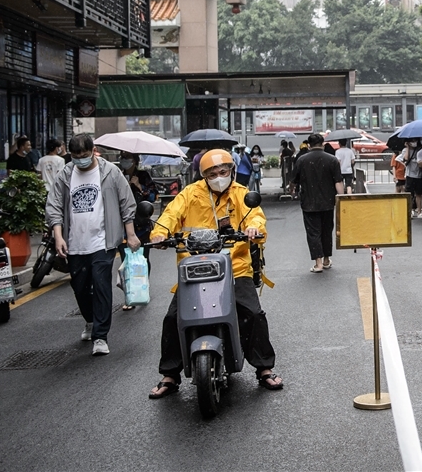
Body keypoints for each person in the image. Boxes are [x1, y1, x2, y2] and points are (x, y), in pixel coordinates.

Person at [147, 149, 282, 397]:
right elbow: (171, 214)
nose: (218, 176)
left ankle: (264, 369)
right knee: (172, 318)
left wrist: (253, 229)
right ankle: (169, 375)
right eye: (212, 173)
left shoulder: (241, 194)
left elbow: (256, 217)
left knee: (252, 313)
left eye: (223, 172)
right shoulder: (190, 193)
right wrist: (160, 233)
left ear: (231, 171)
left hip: (235, 266)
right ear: (204, 175)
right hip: (194, 267)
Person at [45, 133, 140, 357]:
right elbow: (54, 206)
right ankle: (90, 320)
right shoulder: (65, 174)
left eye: (85, 155)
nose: (81, 160)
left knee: (101, 286)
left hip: (103, 242)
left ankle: (100, 336)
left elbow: (127, 203)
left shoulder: (110, 172)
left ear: (93, 150)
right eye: (76, 156)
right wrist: (58, 236)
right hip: (75, 242)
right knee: (79, 288)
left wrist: (131, 235)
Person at [288, 133, 345, 273]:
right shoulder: (332, 160)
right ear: (323, 143)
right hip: (328, 202)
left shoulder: (302, 160)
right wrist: (342, 199)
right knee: (326, 231)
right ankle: (326, 260)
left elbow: (293, 181)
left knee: (313, 232)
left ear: (309, 145)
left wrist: (292, 191)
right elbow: (338, 181)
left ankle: (318, 263)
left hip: (309, 203)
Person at [117, 152, 158, 311]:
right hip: (122, 227)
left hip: (141, 226)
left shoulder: (143, 176)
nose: (124, 161)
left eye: (128, 158)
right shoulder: (117, 175)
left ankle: (142, 288)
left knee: (142, 260)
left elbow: (153, 196)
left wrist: (139, 186)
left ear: (135, 161)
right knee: (126, 262)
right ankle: (129, 295)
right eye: (123, 158)